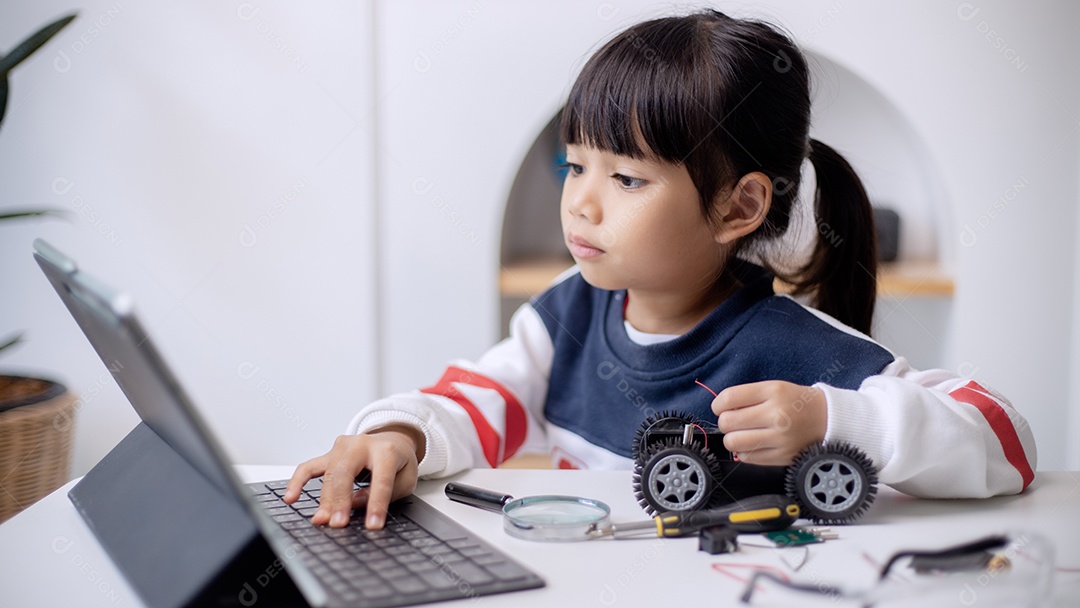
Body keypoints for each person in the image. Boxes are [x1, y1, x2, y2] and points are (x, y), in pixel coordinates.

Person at [285, 10, 1036, 530]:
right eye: (574, 165)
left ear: (738, 207)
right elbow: (478, 400)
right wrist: (398, 435)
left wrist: (832, 420)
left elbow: (1004, 440)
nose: (579, 203)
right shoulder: (565, 315)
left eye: (627, 180)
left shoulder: (792, 349)